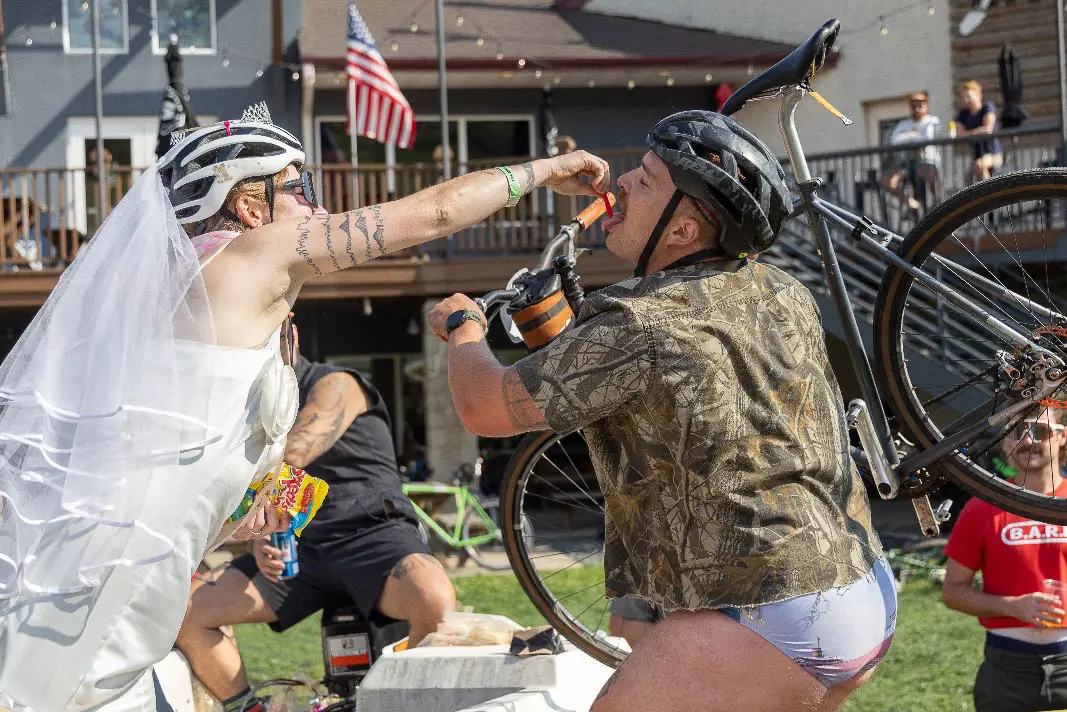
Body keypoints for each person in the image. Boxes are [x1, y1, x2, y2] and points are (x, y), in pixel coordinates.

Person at [0, 102, 609, 712]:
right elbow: (434, 214)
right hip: (121, 565)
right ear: (248, 205)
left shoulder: (184, 293)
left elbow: (176, 447)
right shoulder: (252, 253)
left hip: (125, 555)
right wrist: (544, 172)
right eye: (300, 187)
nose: (318, 207)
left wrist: (252, 509)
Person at [428, 110, 895, 712]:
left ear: (683, 231)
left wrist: (465, 329)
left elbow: (484, 407)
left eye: (645, 182)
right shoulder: (782, 289)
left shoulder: (638, 322)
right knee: (638, 632)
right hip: (859, 584)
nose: (621, 184)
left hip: (772, 608)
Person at [177, 323, 455, 711]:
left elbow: (295, 451)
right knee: (182, 612)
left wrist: (257, 500)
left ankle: (402, 703)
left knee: (434, 600)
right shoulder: (244, 416)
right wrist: (256, 540)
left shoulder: (337, 383)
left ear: (290, 336)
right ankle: (248, 708)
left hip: (373, 534)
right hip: (302, 552)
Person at [942, 408, 1067, 712]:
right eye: (1016, 432)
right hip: (1005, 669)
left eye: (1040, 431)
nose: (1028, 440)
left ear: (1062, 437)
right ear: (1004, 441)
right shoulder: (981, 507)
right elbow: (953, 591)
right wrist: (1013, 607)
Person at [881, 91, 941, 213]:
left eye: (921, 104)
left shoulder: (932, 121)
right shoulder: (904, 124)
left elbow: (927, 138)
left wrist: (908, 137)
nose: (917, 108)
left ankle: (936, 203)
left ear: (927, 105)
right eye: (914, 105)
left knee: (926, 175)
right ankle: (910, 202)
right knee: (887, 181)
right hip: (907, 165)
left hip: (927, 161)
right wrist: (915, 135)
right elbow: (895, 140)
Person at [956, 80, 1004, 183]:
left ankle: (987, 194)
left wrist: (969, 133)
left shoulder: (987, 107)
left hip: (994, 154)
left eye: (968, 96)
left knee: (981, 165)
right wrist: (977, 131)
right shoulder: (963, 114)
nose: (966, 100)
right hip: (976, 156)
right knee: (968, 178)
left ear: (978, 95)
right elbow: (959, 133)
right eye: (964, 97)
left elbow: (988, 129)